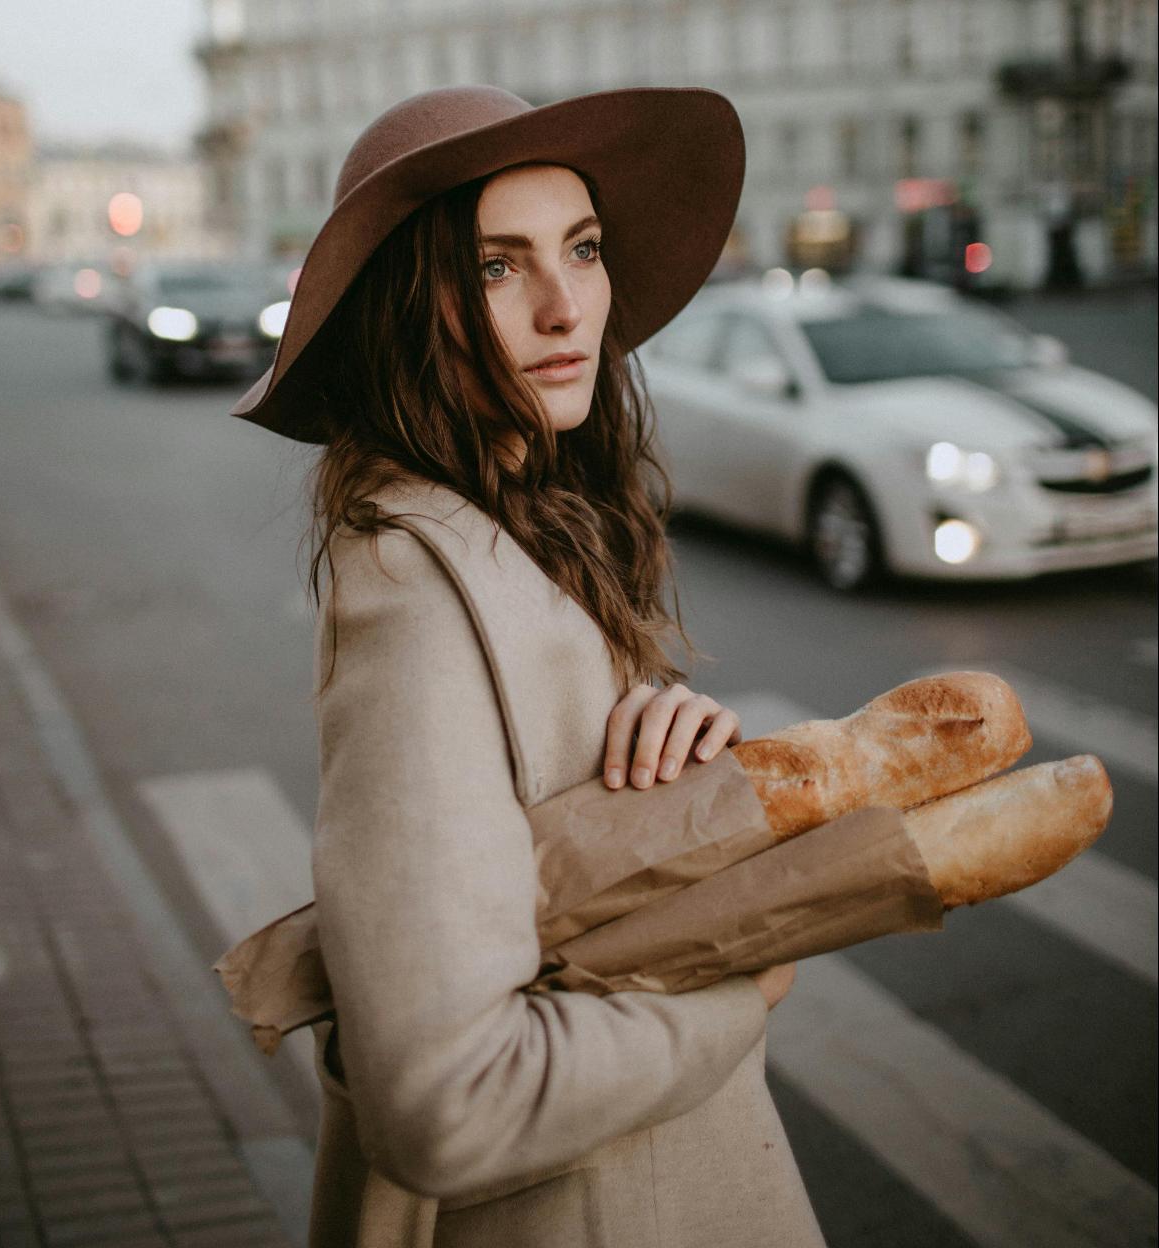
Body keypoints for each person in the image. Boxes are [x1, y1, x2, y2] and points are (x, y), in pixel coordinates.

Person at [229, 85, 824, 1248]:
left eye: (583, 249)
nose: (566, 307)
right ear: (410, 308)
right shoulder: (417, 592)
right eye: (498, 267)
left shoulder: (525, 521)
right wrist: (736, 995)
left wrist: (669, 766)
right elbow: (447, 1105)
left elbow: (549, 846)